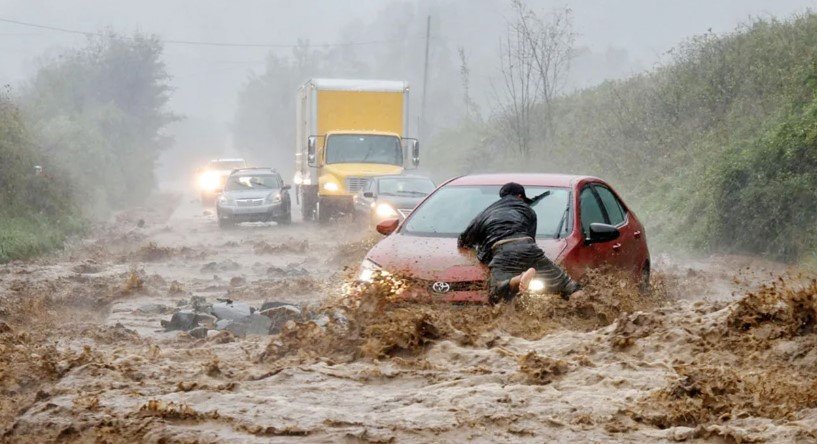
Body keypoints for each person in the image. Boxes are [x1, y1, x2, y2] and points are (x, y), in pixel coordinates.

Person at [458, 182, 582, 303]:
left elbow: (463, 240)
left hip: (503, 250)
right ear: (519, 196)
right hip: (528, 246)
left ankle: (519, 279)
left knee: (495, 294)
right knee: (569, 285)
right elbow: (531, 240)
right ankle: (586, 310)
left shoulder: (486, 213)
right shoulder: (528, 211)